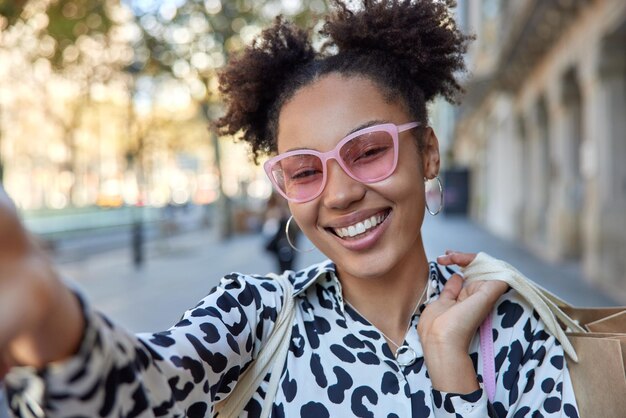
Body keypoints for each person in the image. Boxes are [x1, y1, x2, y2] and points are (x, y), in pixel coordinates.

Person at [0, 1, 579, 417]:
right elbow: (136, 390)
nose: (340, 192)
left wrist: (452, 370)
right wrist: (47, 315)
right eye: (305, 170)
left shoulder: (513, 322)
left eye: (369, 151)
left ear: (427, 153)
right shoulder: (252, 314)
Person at [263, 192, 300, 272]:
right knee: (281, 265)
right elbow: (270, 226)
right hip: (278, 242)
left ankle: (289, 278)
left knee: (290, 265)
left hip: (290, 241)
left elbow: (294, 226)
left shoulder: (289, 207)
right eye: (278, 196)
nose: (281, 198)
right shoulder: (272, 210)